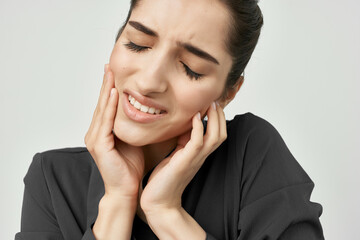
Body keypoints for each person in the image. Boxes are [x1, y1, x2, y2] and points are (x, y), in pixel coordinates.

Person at [15, 0, 325, 239]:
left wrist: (166, 213)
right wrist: (118, 200)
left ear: (227, 92)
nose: (150, 81)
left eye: (191, 68)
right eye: (138, 43)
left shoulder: (252, 154)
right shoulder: (53, 179)